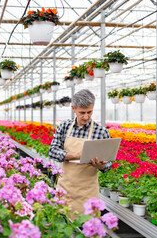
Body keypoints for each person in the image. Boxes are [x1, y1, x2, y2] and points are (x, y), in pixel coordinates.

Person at [48, 89, 112, 220]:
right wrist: (75, 155)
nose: (86, 116)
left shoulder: (101, 132)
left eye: (89, 112)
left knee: (88, 227)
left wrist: (100, 165)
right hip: (65, 188)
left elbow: (109, 163)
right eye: (82, 112)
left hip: (88, 193)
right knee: (61, 226)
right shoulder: (64, 126)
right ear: (73, 108)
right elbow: (52, 151)